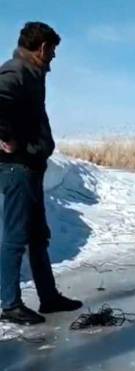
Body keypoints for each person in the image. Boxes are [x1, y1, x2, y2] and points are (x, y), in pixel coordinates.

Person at [0, 22, 82, 326]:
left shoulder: (32, 74)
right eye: (53, 51)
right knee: (16, 237)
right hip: (16, 168)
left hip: (31, 167)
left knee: (37, 236)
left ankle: (49, 297)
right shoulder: (16, 71)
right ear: (44, 48)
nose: (54, 58)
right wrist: (6, 137)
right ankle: (9, 304)